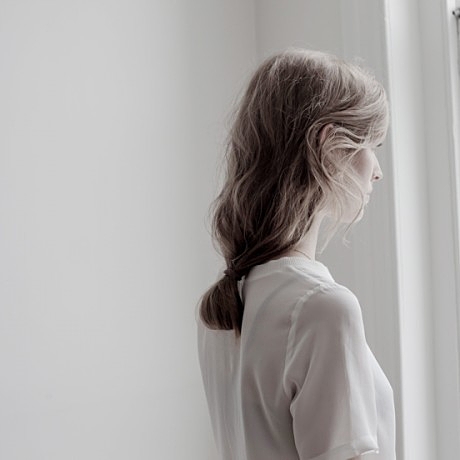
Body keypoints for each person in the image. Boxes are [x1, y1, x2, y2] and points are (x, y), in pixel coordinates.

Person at [195, 48, 396, 460]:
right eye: (371, 145)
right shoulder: (323, 308)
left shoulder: (223, 306)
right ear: (329, 146)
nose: (377, 171)